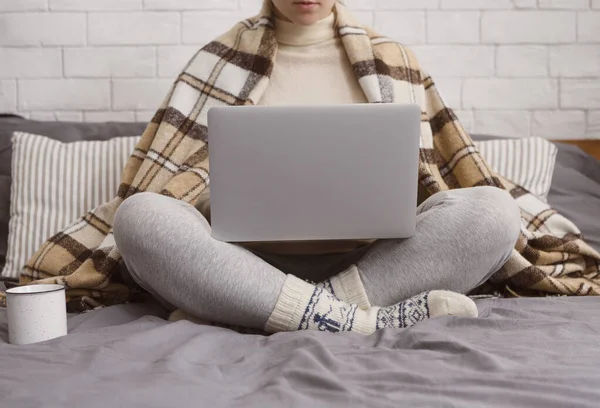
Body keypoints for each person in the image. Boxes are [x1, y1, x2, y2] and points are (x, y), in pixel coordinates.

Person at [112, 0, 522, 335]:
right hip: (240, 267)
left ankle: (259, 314)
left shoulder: (392, 59)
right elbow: (176, 180)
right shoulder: (215, 62)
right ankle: (363, 321)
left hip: (375, 266)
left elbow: (432, 175)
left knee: (495, 211)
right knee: (139, 215)